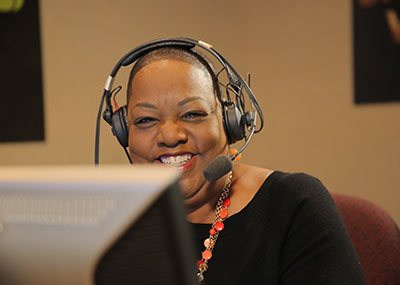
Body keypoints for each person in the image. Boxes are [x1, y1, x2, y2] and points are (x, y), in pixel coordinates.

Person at [124, 44, 366, 284]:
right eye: (146, 119)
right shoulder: (114, 225)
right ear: (124, 133)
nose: (169, 136)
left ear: (230, 122)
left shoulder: (294, 204)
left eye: (192, 114)